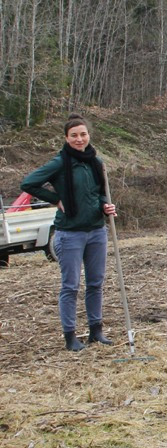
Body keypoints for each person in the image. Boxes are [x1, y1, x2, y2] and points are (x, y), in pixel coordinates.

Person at [20, 114, 117, 351]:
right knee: (70, 286)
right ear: (66, 138)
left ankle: (96, 332)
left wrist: (106, 205)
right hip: (70, 233)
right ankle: (71, 337)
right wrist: (56, 199)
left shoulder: (96, 162)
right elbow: (28, 183)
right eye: (74, 135)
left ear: (88, 136)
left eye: (83, 134)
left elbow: (100, 192)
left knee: (95, 283)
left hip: (96, 230)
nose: (79, 139)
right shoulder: (59, 163)